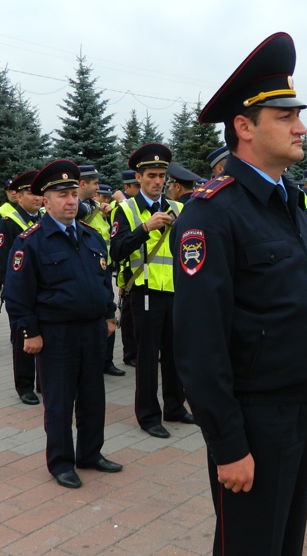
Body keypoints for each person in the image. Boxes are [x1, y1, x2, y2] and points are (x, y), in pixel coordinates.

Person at [171, 32, 307, 556]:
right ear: (244, 127)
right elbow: (200, 345)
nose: (301, 126)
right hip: (253, 418)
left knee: (284, 541)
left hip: (298, 406)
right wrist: (228, 444)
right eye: (286, 116)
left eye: (298, 114)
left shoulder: (288, 202)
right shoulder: (213, 214)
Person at [3, 159, 122, 489]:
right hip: (56, 335)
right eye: (62, 195)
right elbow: (17, 293)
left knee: (93, 398)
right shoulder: (32, 241)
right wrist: (30, 332)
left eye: (73, 193)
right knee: (59, 402)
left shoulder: (91, 236)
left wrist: (109, 315)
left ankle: (90, 453)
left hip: (92, 331)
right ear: (46, 200)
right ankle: (60, 462)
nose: (71, 201)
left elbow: (102, 281)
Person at [111, 143, 191, 439]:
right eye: (152, 176)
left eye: (162, 176)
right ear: (139, 178)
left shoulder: (179, 208)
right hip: (144, 293)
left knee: (175, 354)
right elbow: (116, 251)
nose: (158, 181)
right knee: (147, 358)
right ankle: (147, 415)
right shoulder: (126, 210)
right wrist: (144, 228)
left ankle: (174, 407)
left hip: (175, 292)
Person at [0, 170, 42, 405]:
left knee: (45, 336)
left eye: (38, 193)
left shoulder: (43, 220)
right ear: (18, 196)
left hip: (43, 292)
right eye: (30, 193)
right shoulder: (8, 223)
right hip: (20, 293)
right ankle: (24, 385)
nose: (36, 197)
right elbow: (4, 264)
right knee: (23, 338)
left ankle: (43, 381)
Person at [78, 166, 124, 378]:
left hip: (104, 266)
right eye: (94, 183)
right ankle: (91, 361)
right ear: (82, 184)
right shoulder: (77, 207)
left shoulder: (94, 206)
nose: (97, 188)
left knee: (109, 308)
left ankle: (107, 360)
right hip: (86, 267)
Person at [112, 171, 140, 367]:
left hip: (149, 278)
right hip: (130, 274)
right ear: (127, 187)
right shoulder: (124, 208)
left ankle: (134, 352)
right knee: (129, 318)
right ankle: (130, 354)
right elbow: (118, 247)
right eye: (135, 186)